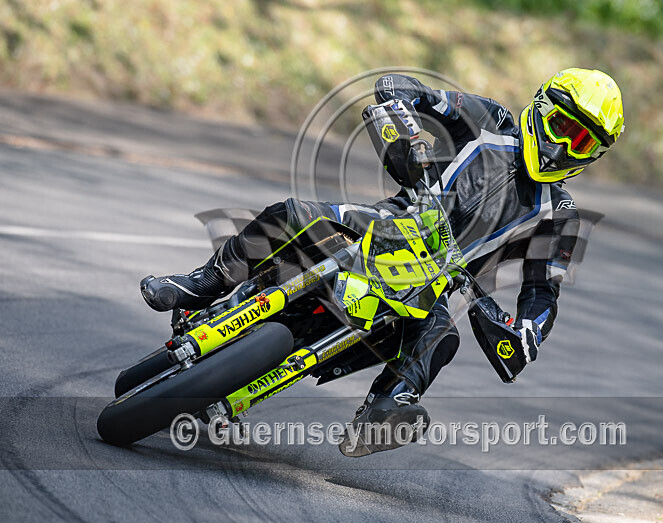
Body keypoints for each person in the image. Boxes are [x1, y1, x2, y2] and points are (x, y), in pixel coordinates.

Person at [141, 68, 624, 456]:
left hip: (436, 282)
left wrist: (528, 333)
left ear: (593, 155)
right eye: (563, 128)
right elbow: (401, 88)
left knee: (443, 337)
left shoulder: (561, 215)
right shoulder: (488, 119)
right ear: (541, 109)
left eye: (581, 143)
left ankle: (385, 411)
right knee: (293, 214)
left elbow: (543, 292)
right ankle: (203, 282)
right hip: (386, 225)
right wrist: (407, 135)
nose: (563, 146)